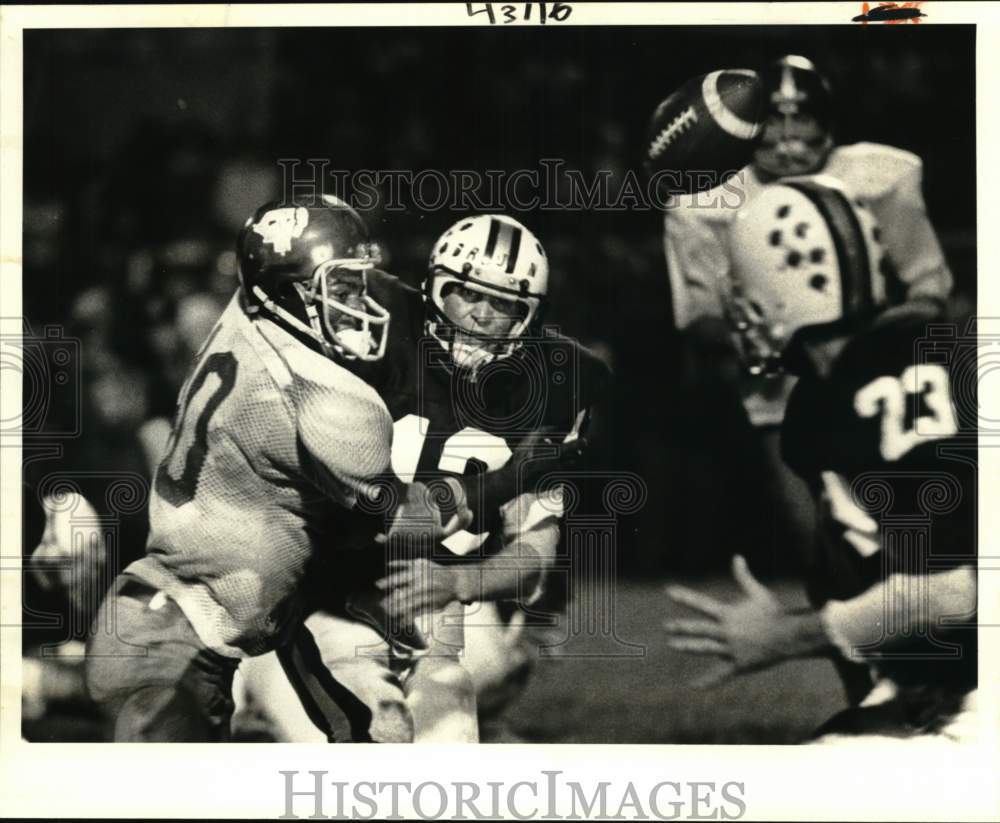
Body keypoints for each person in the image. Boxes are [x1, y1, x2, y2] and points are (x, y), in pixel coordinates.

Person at [84, 195, 463, 741]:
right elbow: (408, 522)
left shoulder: (244, 313)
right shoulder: (324, 401)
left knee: (368, 745)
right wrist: (459, 495)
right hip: (172, 649)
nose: (363, 301)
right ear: (287, 291)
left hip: (172, 623)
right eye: (343, 287)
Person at [238, 214, 610, 742]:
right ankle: (268, 695)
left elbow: (536, 554)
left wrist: (461, 581)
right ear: (435, 289)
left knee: (468, 675)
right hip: (325, 595)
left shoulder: (539, 398)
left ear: (526, 319)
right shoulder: (369, 348)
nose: (480, 315)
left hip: (440, 601)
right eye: (464, 294)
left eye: (503, 304)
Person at [664, 177, 977, 743]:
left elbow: (959, 589)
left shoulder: (900, 381)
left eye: (746, 287)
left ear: (778, 289)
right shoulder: (825, 396)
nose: (741, 308)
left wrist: (788, 636)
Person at [659, 55, 955, 572]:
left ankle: (913, 597)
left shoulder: (883, 177)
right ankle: (852, 606)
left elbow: (929, 290)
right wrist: (745, 337)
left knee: (907, 505)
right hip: (782, 374)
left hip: (881, 365)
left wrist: (870, 338)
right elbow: (700, 316)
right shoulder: (703, 205)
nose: (789, 137)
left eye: (803, 118)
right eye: (774, 119)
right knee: (820, 513)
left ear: (831, 124)